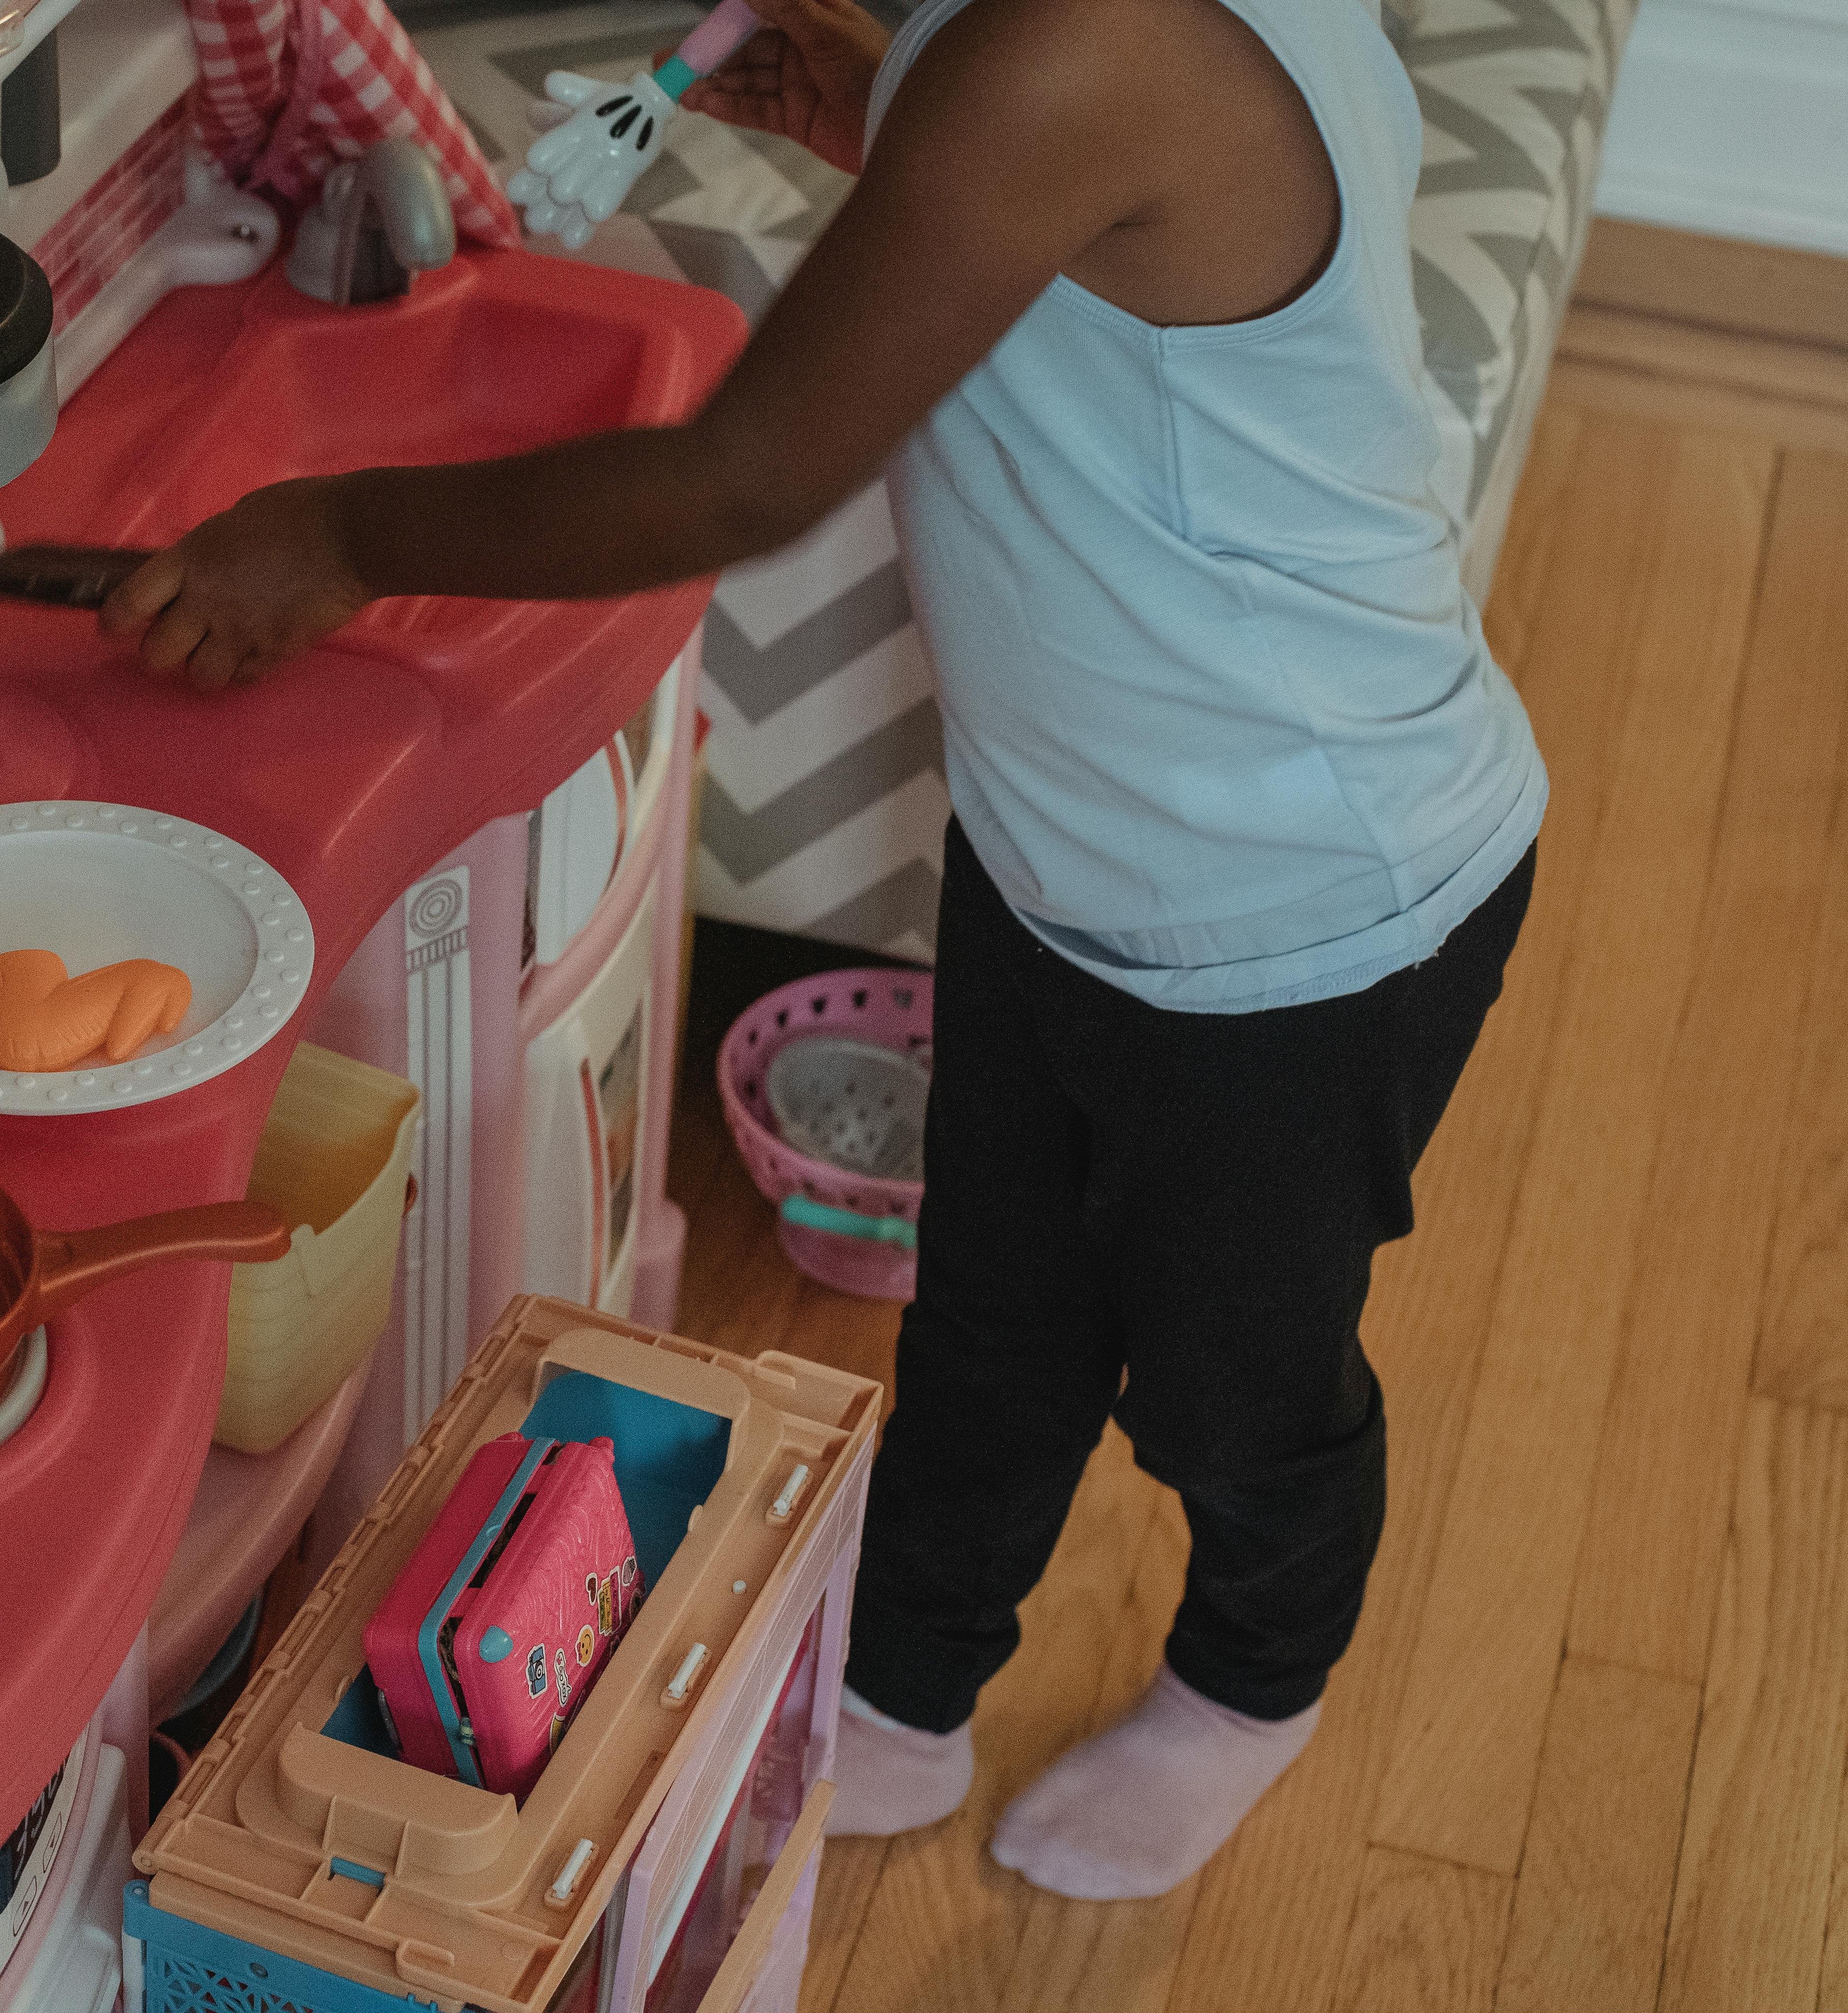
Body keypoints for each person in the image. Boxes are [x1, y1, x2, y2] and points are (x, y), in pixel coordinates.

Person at [101, 0, 1545, 1901]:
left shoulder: (1082, 47)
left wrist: (345, 533)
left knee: (1232, 1382)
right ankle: (906, 1689)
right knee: (994, 1312)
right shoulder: (1032, 60)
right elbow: (1141, 247)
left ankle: (1251, 1685)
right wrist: (906, 125)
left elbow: (744, 480)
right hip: (1067, 853)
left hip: (1301, 904)